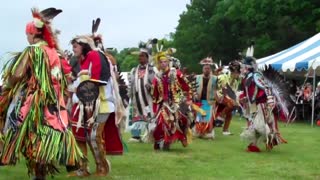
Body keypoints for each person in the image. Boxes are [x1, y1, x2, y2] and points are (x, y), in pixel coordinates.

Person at [0, 7, 84, 179]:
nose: (26, 37)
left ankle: (18, 162)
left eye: (27, 34)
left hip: (36, 104)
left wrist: (7, 87)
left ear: (32, 33)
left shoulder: (33, 51)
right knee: (45, 139)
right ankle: (54, 167)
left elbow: (17, 74)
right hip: (56, 105)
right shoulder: (55, 52)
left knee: (28, 134)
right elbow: (65, 76)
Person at [69, 34, 124, 176]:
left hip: (102, 104)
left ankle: (102, 167)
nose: (73, 49)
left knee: (94, 136)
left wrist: (80, 89)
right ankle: (83, 168)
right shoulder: (84, 60)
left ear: (84, 45)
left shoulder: (95, 55)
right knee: (82, 136)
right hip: (87, 105)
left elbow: (98, 81)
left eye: (75, 46)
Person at [239, 55, 287, 152]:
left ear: (247, 67)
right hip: (253, 105)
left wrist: (269, 100)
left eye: (243, 66)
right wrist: (243, 98)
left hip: (262, 104)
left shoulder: (256, 76)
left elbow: (266, 87)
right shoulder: (246, 79)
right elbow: (246, 92)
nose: (241, 69)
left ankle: (256, 144)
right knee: (254, 125)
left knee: (259, 126)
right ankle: (255, 145)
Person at [151, 50, 192, 150]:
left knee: (182, 120)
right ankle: (163, 141)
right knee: (162, 123)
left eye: (165, 61)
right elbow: (154, 94)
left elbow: (186, 85)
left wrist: (189, 98)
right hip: (164, 104)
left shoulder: (176, 73)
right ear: (158, 64)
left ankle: (183, 136)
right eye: (161, 62)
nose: (163, 64)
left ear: (168, 62)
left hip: (177, 102)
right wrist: (155, 107)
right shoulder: (157, 77)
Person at [128, 45, 157, 143]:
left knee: (150, 115)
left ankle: (151, 135)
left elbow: (157, 83)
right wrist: (130, 96)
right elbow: (131, 85)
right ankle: (136, 136)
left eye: (142, 56)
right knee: (137, 115)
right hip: (137, 98)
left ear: (147, 57)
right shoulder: (134, 70)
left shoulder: (152, 70)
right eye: (139, 56)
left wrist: (152, 87)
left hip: (149, 98)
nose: (140, 58)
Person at [215, 60, 241, 135]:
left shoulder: (236, 82)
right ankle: (220, 117)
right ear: (234, 71)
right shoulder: (223, 77)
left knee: (231, 111)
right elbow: (214, 86)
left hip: (227, 98)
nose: (239, 75)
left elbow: (233, 93)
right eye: (238, 72)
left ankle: (225, 130)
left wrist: (237, 101)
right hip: (218, 96)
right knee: (231, 103)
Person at [194, 57, 217, 139]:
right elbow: (193, 88)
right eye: (205, 68)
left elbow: (218, 89)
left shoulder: (215, 78)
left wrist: (217, 98)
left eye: (208, 68)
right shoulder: (197, 77)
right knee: (199, 117)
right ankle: (200, 132)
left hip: (209, 101)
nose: (206, 70)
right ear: (202, 69)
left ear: (210, 69)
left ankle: (208, 132)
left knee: (208, 117)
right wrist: (194, 95)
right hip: (199, 100)